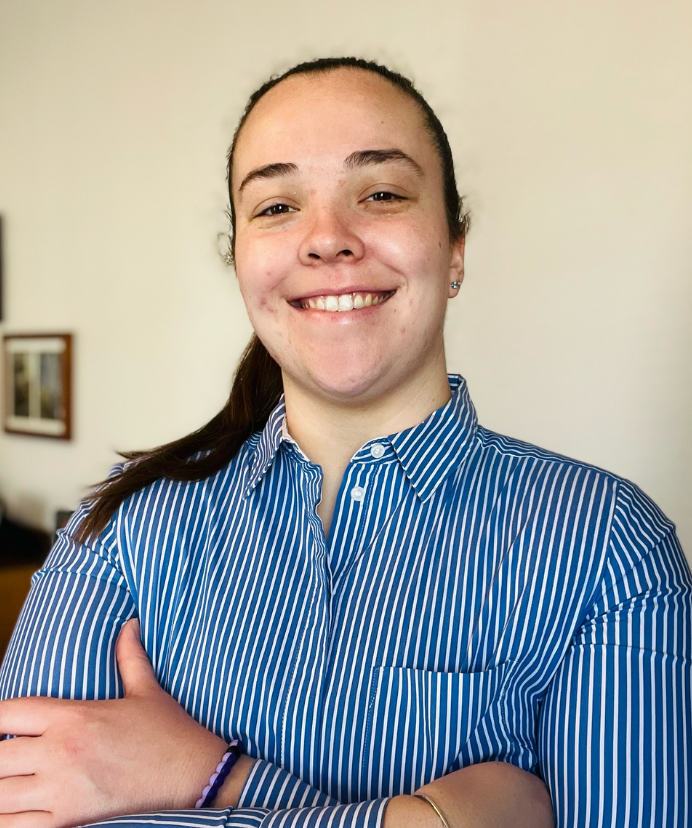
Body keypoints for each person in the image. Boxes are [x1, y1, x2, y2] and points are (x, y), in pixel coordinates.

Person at [0, 57, 690, 828]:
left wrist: (209, 777)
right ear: (240, 260)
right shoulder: (122, 524)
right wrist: (419, 819)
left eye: (383, 194)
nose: (328, 239)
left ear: (454, 247)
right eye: (277, 206)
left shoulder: (606, 546)